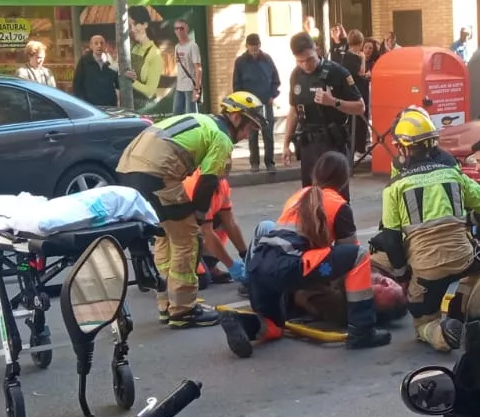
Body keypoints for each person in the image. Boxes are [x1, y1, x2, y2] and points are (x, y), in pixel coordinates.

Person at [115, 91, 266, 327]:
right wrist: (197, 216)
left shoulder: (204, 121)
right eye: (250, 128)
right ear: (237, 117)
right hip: (157, 173)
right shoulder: (221, 137)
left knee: (165, 236)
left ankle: (166, 305)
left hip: (128, 169)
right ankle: (184, 310)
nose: (247, 136)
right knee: (188, 238)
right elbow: (207, 182)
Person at [221, 151, 392, 356]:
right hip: (289, 265)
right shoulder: (338, 205)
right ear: (344, 179)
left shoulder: (298, 196)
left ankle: (241, 324)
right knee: (359, 256)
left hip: (260, 264)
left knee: (274, 327)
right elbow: (347, 257)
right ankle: (362, 330)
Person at [370, 107, 480, 352]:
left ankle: (441, 335)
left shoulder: (394, 187)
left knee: (423, 322)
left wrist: (404, 275)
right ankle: (468, 305)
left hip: (427, 272)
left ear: (403, 147)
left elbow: (392, 238)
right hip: (465, 259)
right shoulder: (453, 173)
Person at [282, 31, 363, 196]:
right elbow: (293, 110)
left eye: (310, 59)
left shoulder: (338, 72)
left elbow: (360, 107)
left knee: (335, 196)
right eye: (300, 61)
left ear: (316, 50)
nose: (306, 65)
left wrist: (333, 102)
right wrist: (285, 143)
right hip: (308, 145)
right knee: (310, 196)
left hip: (333, 143)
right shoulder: (296, 75)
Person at [233, 33, 281, 172]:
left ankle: (270, 163)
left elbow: (275, 80)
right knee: (252, 133)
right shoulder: (240, 62)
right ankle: (254, 163)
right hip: (249, 104)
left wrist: (273, 95)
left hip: (266, 101)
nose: (254, 49)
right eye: (251, 46)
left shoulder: (267, 59)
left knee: (268, 132)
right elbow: (236, 84)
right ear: (247, 46)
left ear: (260, 45)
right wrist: (241, 101)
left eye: (256, 46)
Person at [73, 35, 119, 107]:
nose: (99, 45)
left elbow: (118, 83)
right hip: (90, 105)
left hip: (109, 105)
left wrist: (126, 76)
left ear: (105, 46)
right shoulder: (84, 61)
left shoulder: (110, 62)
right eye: (96, 43)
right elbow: (77, 83)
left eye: (101, 43)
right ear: (91, 46)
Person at [172, 17, 202, 114]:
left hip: (190, 87)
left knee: (191, 116)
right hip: (179, 87)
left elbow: (198, 68)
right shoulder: (177, 47)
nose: (179, 31)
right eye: (176, 29)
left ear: (187, 29)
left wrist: (197, 89)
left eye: (181, 28)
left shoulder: (193, 46)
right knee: (176, 115)